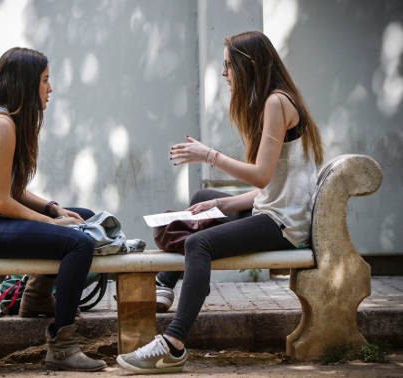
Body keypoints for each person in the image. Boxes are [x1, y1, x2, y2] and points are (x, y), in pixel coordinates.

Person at [117, 31, 324, 374]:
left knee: (199, 243)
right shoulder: (275, 100)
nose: (224, 73)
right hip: (274, 208)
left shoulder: (276, 103)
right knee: (203, 200)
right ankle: (167, 284)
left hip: (285, 225)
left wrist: (208, 155)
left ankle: (173, 344)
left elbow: (259, 176)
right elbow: (271, 186)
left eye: (228, 65)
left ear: (249, 65)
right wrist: (226, 205)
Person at [0, 47, 106, 372]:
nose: (50, 88)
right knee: (80, 242)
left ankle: (35, 297)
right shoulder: (1, 124)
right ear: (26, 83)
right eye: (45, 80)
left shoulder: (5, 120)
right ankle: (62, 345)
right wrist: (57, 224)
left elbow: (14, 190)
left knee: (84, 216)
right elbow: (1, 202)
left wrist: (54, 209)